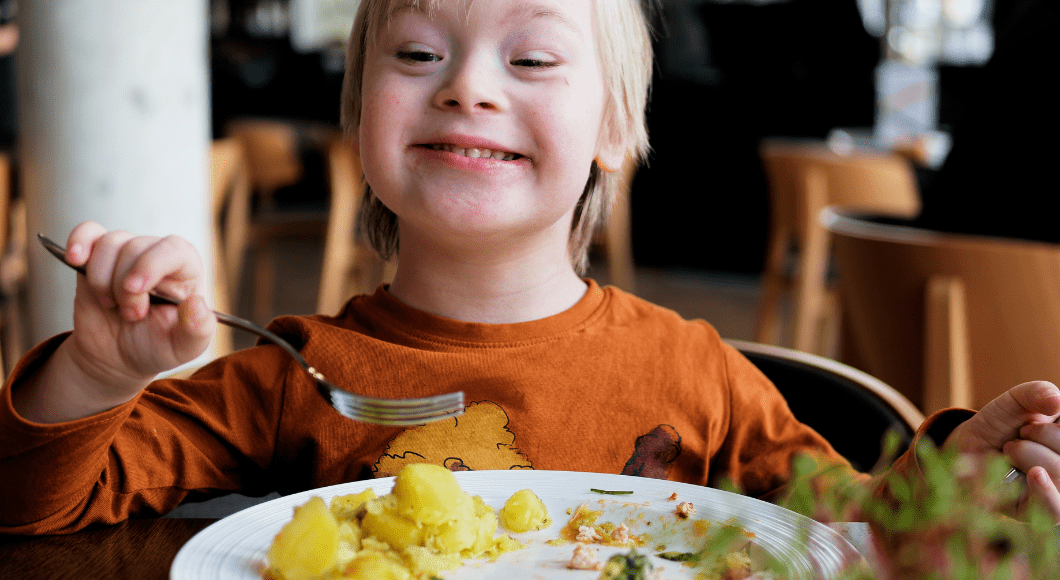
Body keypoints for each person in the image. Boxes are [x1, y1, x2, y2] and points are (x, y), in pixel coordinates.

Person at [1, 0, 1059, 538]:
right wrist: (96, 372)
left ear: (613, 125)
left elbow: (847, 530)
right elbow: (34, 506)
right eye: (415, 53)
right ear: (358, 110)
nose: (466, 87)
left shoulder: (695, 372)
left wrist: (952, 482)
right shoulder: (293, 371)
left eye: (532, 57)